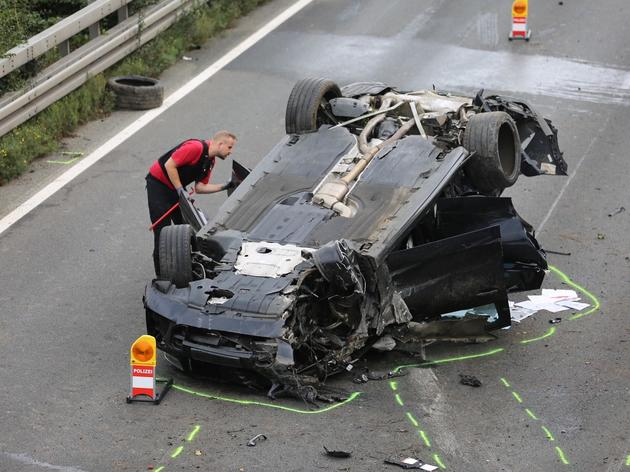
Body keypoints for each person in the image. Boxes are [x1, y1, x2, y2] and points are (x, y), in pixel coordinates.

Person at [146, 130, 237, 275]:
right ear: (220, 144)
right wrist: (180, 190)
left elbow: (200, 188)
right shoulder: (196, 147)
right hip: (159, 186)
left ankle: (188, 265)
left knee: (186, 229)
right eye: (230, 147)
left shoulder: (210, 161)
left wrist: (225, 186)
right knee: (162, 233)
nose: (231, 152)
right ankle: (162, 277)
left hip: (176, 189)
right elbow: (170, 165)